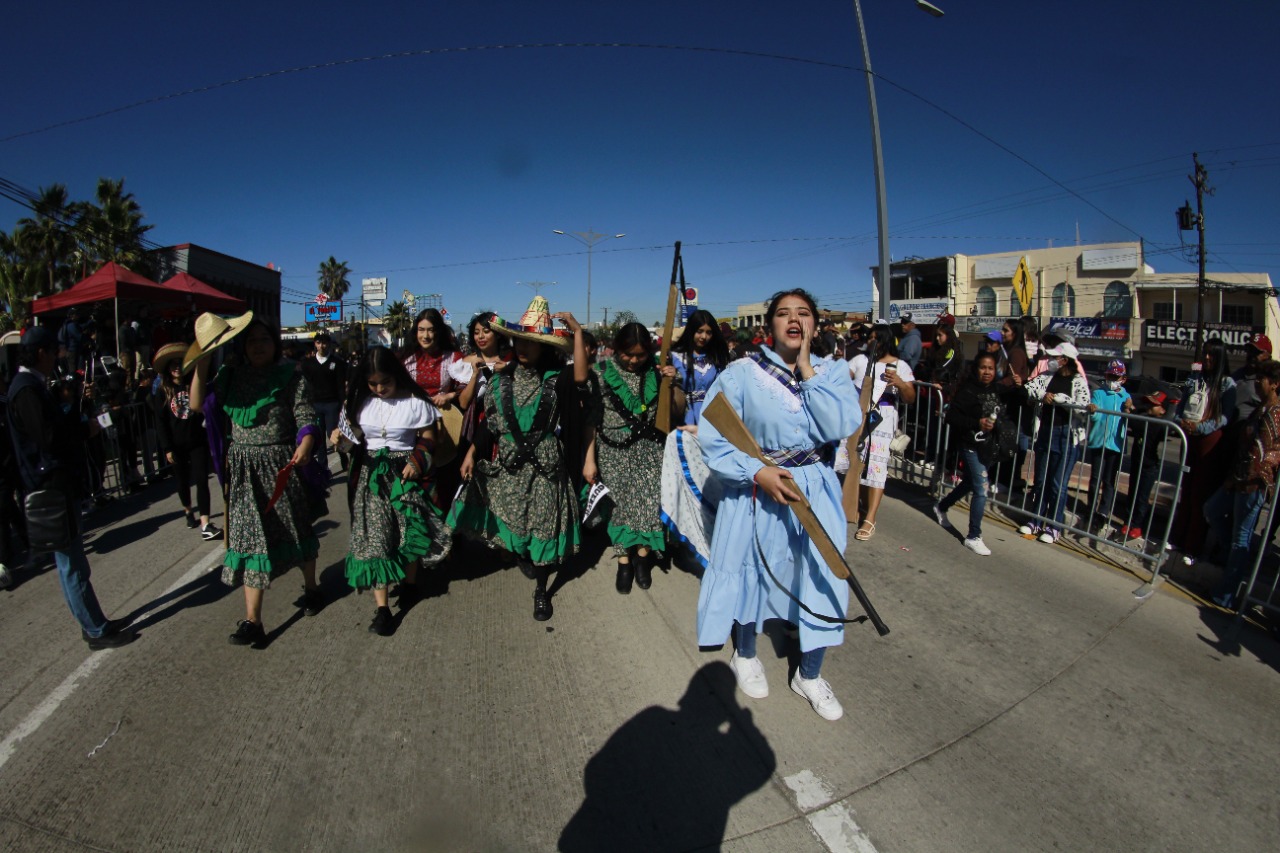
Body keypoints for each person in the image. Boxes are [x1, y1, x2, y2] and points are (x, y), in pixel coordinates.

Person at [697, 288, 860, 720]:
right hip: (760, 484)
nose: (793, 319)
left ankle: (809, 674)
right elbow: (714, 435)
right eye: (783, 313)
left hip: (815, 487)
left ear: (815, 324)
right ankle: (746, 653)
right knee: (752, 567)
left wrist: (807, 369)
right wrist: (758, 472)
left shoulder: (832, 372)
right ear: (769, 325)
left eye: (803, 313)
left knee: (822, 571)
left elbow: (841, 424)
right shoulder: (742, 373)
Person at [189, 314, 326, 647]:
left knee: (297, 530)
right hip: (244, 472)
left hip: (282, 467)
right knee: (251, 543)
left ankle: (311, 588)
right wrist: (202, 360)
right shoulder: (229, 376)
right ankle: (253, 621)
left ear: (274, 343)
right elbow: (196, 404)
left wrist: (306, 441)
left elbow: (306, 415)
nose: (259, 346)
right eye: (252, 341)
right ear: (242, 346)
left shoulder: (291, 375)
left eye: (264, 339)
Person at [449, 297, 585, 620]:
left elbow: (580, 378)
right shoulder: (499, 380)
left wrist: (577, 332)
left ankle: (541, 590)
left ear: (545, 347)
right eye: (520, 341)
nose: (523, 348)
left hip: (546, 469)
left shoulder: (558, 379)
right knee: (518, 530)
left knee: (543, 530)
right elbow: (489, 424)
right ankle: (523, 555)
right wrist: (471, 451)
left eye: (532, 342)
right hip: (510, 467)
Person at [7, 327, 136, 648]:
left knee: (74, 562)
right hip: (50, 488)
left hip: (57, 485)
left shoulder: (33, 386)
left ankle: (94, 621)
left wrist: (68, 403)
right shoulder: (25, 389)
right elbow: (48, 438)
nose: (57, 357)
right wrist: (81, 427)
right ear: (40, 353)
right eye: (53, 351)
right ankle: (94, 629)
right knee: (72, 564)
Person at [334, 347, 450, 634]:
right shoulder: (358, 403)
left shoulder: (415, 402)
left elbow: (429, 437)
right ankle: (383, 609)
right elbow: (352, 444)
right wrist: (339, 439)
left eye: (385, 382)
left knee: (406, 533)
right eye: (373, 383)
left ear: (396, 376)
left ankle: (410, 585)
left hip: (407, 476)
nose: (379, 388)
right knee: (378, 539)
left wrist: (417, 460)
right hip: (371, 478)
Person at [584, 322, 683, 593]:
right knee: (620, 508)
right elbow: (591, 421)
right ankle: (624, 561)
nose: (633, 361)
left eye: (640, 355)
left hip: (651, 451)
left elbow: (677, 410)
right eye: (628, 354)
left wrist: (671, 383)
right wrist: (589, 459)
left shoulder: (659, 371)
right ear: (616, 348)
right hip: (613, 452)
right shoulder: (600, 373)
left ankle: (642, 557)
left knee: (649, 505)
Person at [933, 350, 1027, 554]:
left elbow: (1017, 400)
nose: (987, 372)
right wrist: (977, 422)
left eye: (991, 368)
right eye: (983, 367)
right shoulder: (968, 391)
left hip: (988, 447)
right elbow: (951, 417)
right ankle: (973, 536)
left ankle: (941, 506)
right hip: (970, 445)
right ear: (976, 369)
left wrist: (1020, 387)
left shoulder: (996, 388)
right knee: (981, 489)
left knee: (970, 483)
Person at [1204, 359, 1280, 609]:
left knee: (1242, 537)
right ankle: (1231, 560)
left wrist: (1249, 480)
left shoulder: (1275, 414)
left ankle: (1226, 594)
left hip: (1254, 485)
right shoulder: (1262, 408)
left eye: (1262, 379)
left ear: (1275, 384)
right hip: (1238, 480)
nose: (1257, 383)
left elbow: (1264, 455)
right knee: (1212, 511)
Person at [1168, 339, 1236, 559]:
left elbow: (1224, 417)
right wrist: (1182, 422)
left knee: (1200, 494)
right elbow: (1182, 404)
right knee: (1186, 489)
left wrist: (1201, 427)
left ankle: (1193, 547)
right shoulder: (1194, 379)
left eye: (1212, 355)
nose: (1207, 358)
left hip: (1209, 441)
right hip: (1189, 437)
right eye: (1205, 353)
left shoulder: (1227, 384)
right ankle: (1177, 538)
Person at [848, 324, 916, 540]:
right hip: (857, 415)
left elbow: (910, 397)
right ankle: (853, 505)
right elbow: (841, 379)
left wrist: (900, 383)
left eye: (875, 338)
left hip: (883, 419)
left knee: (877, 466)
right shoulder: (859, 360)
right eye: (870, 338)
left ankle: (870, 518)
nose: (871, 342)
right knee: (854, 463)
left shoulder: (900, 365)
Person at [1020, 342, 1091, 544]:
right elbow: (1029, 388)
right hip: (1046, 432)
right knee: (1041, 479)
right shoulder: (1048, 376)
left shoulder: (1078, 381)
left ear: (1065, 360)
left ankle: (1054, 526)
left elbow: (1084, 407)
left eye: (1055, 357)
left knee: (1057, 484)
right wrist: (1043, 395)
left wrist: (1063, 400)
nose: (1051, 360)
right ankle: (1036, 519)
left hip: (1066, 436)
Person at [153, 343, 219, 540]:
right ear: (167, 369)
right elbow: (160, 422)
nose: (176, 368)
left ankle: (205, 523)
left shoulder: (193, 385)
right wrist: (167, 448)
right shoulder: (163, 391)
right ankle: (188, 510)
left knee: (201, 480)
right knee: (182, 481)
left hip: (197, 440)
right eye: (172, 365)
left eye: (179, 363)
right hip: (176, 445)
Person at [403, 308, 464, 508]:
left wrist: (449, 395)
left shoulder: (454, 357)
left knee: (444, 484)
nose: (425, 335)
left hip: (444, 427)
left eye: (430, 330)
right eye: (421, 330)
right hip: (411, 427)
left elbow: (465, 386)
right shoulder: (406, 358)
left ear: (438, 332)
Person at [1084, 360, 1134, 535]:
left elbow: (1128, 421)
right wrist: (1093, 411)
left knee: (1109, 481)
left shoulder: (1126, 397)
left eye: (1115, 376)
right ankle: (1090, 510)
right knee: (1095, 479)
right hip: (1099, 442)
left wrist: (1129, 410)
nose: (1112, 379)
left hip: (1116, 444)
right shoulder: (1098, 393)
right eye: (1109, 376)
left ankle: (1103, 512)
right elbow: (1096, 418)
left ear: (1123, 379)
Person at [668, 309, 730, 428]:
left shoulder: (717, 359)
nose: (704, 336)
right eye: (699, 331)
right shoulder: (675, 358)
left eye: (709, 332)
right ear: (691, 331)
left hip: (712, 418)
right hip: (684, 417)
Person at [300, 331, 350, 471]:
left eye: (324, 343)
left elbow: (341, 385)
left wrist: (343, 404)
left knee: (332, 433)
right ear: (315, 344)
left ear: (329, 345)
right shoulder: (308, 364)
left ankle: (343, 454)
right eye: (318, 343)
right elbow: (304, 385)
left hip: (332, 404)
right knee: (319, 436)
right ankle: (323, 466)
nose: (322, 346)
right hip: (315, 404)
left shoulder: (337, 363)